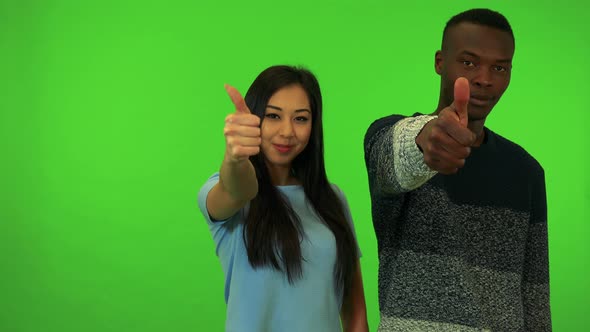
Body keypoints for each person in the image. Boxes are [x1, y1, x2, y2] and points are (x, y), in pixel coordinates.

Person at [363, 8, 551, 331]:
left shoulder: (527, 172)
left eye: (499, 67)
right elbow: (394, 155)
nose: (484, 78)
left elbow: (535, 299)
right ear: (439, 62)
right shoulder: (388, 136)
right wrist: (425, 144)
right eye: (469, 62)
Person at [198, 65, 368, 332]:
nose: (287, 131)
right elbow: (237, 189)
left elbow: (354, 307)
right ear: (254, 119)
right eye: (273, 116)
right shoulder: (222, 191)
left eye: (300, 118)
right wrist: (235, 157)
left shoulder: (333, 199)